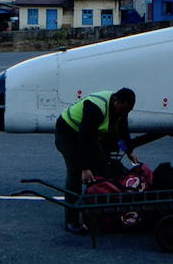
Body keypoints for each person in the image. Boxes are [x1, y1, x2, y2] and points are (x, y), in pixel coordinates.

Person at [54, 88, 134, 234]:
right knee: (76, 172)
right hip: (67, 134)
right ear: (115, 100)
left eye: (127, 111)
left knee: (103, 168)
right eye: (123, 110)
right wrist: (85, 168)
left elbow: (122, 130)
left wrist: (130, 151)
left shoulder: (121, 109)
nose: (124, 114)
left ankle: (95, 209)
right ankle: (71, 220)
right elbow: (83, 139)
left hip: (87, 136)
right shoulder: (96, 109)